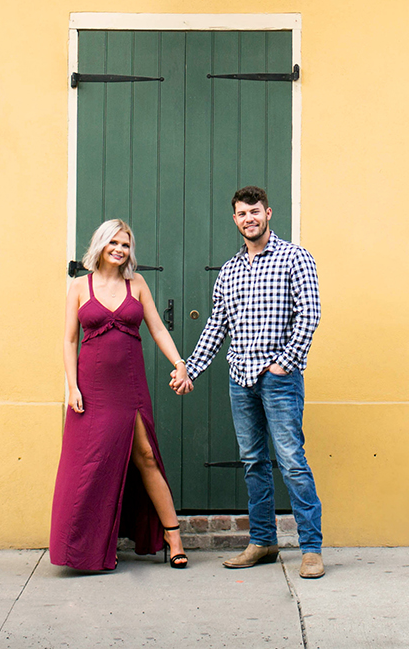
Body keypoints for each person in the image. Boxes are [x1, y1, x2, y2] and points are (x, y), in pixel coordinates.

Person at [176, 186, 325, 579]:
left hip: (279, 380)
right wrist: (191, 367)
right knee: (254, 462)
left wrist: (285, 364)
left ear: (268, 213)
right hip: (240, 380)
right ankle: (262, 540)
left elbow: (310, 313)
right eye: (242, 214)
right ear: (235, 219)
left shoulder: (295, 257)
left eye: (255, 212)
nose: (249, 219)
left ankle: (311, 549)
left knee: (292, 462)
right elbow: (217, 325)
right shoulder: (229, 270)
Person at [49, 219, 195, 572]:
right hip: (92, 388)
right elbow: (69, 340)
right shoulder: (79, 287)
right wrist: (73, 386)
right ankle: (89, 548)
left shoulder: (137, 284)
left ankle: (173, 537)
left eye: (126, 245)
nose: (119, 249)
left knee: (145, 456)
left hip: (129, 385)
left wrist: (180, 363)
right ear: (100, 245)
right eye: (113, 242)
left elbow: (157, 327)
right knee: (93, 463)